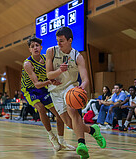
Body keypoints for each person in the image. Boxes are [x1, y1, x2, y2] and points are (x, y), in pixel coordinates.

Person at [46, 27, 106, 158]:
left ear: (70, 40)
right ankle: (93, 130)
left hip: (70, 87)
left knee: (73, 111)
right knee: (69, 123)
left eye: (61, 41)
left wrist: (81, 87)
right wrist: (59, 71)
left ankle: (81, 144)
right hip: (55, 92)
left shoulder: (77, 57)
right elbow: (49, 74)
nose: (59, 43)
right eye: (57, 41)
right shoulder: (51, 51)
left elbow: (85, 80)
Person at [21, 36, 75, 152]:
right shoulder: (28, 64)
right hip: (30, 89)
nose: (35, 48)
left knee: (59, 114)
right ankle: (51, 136)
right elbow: (36, 84)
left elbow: (53, 74)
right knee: (41, 108)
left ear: (41, 47)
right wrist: (51, 81)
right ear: (29, 50)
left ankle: (62, 141)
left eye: (37, 46)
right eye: (32, 46)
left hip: (45, 87)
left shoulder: (47, 59)